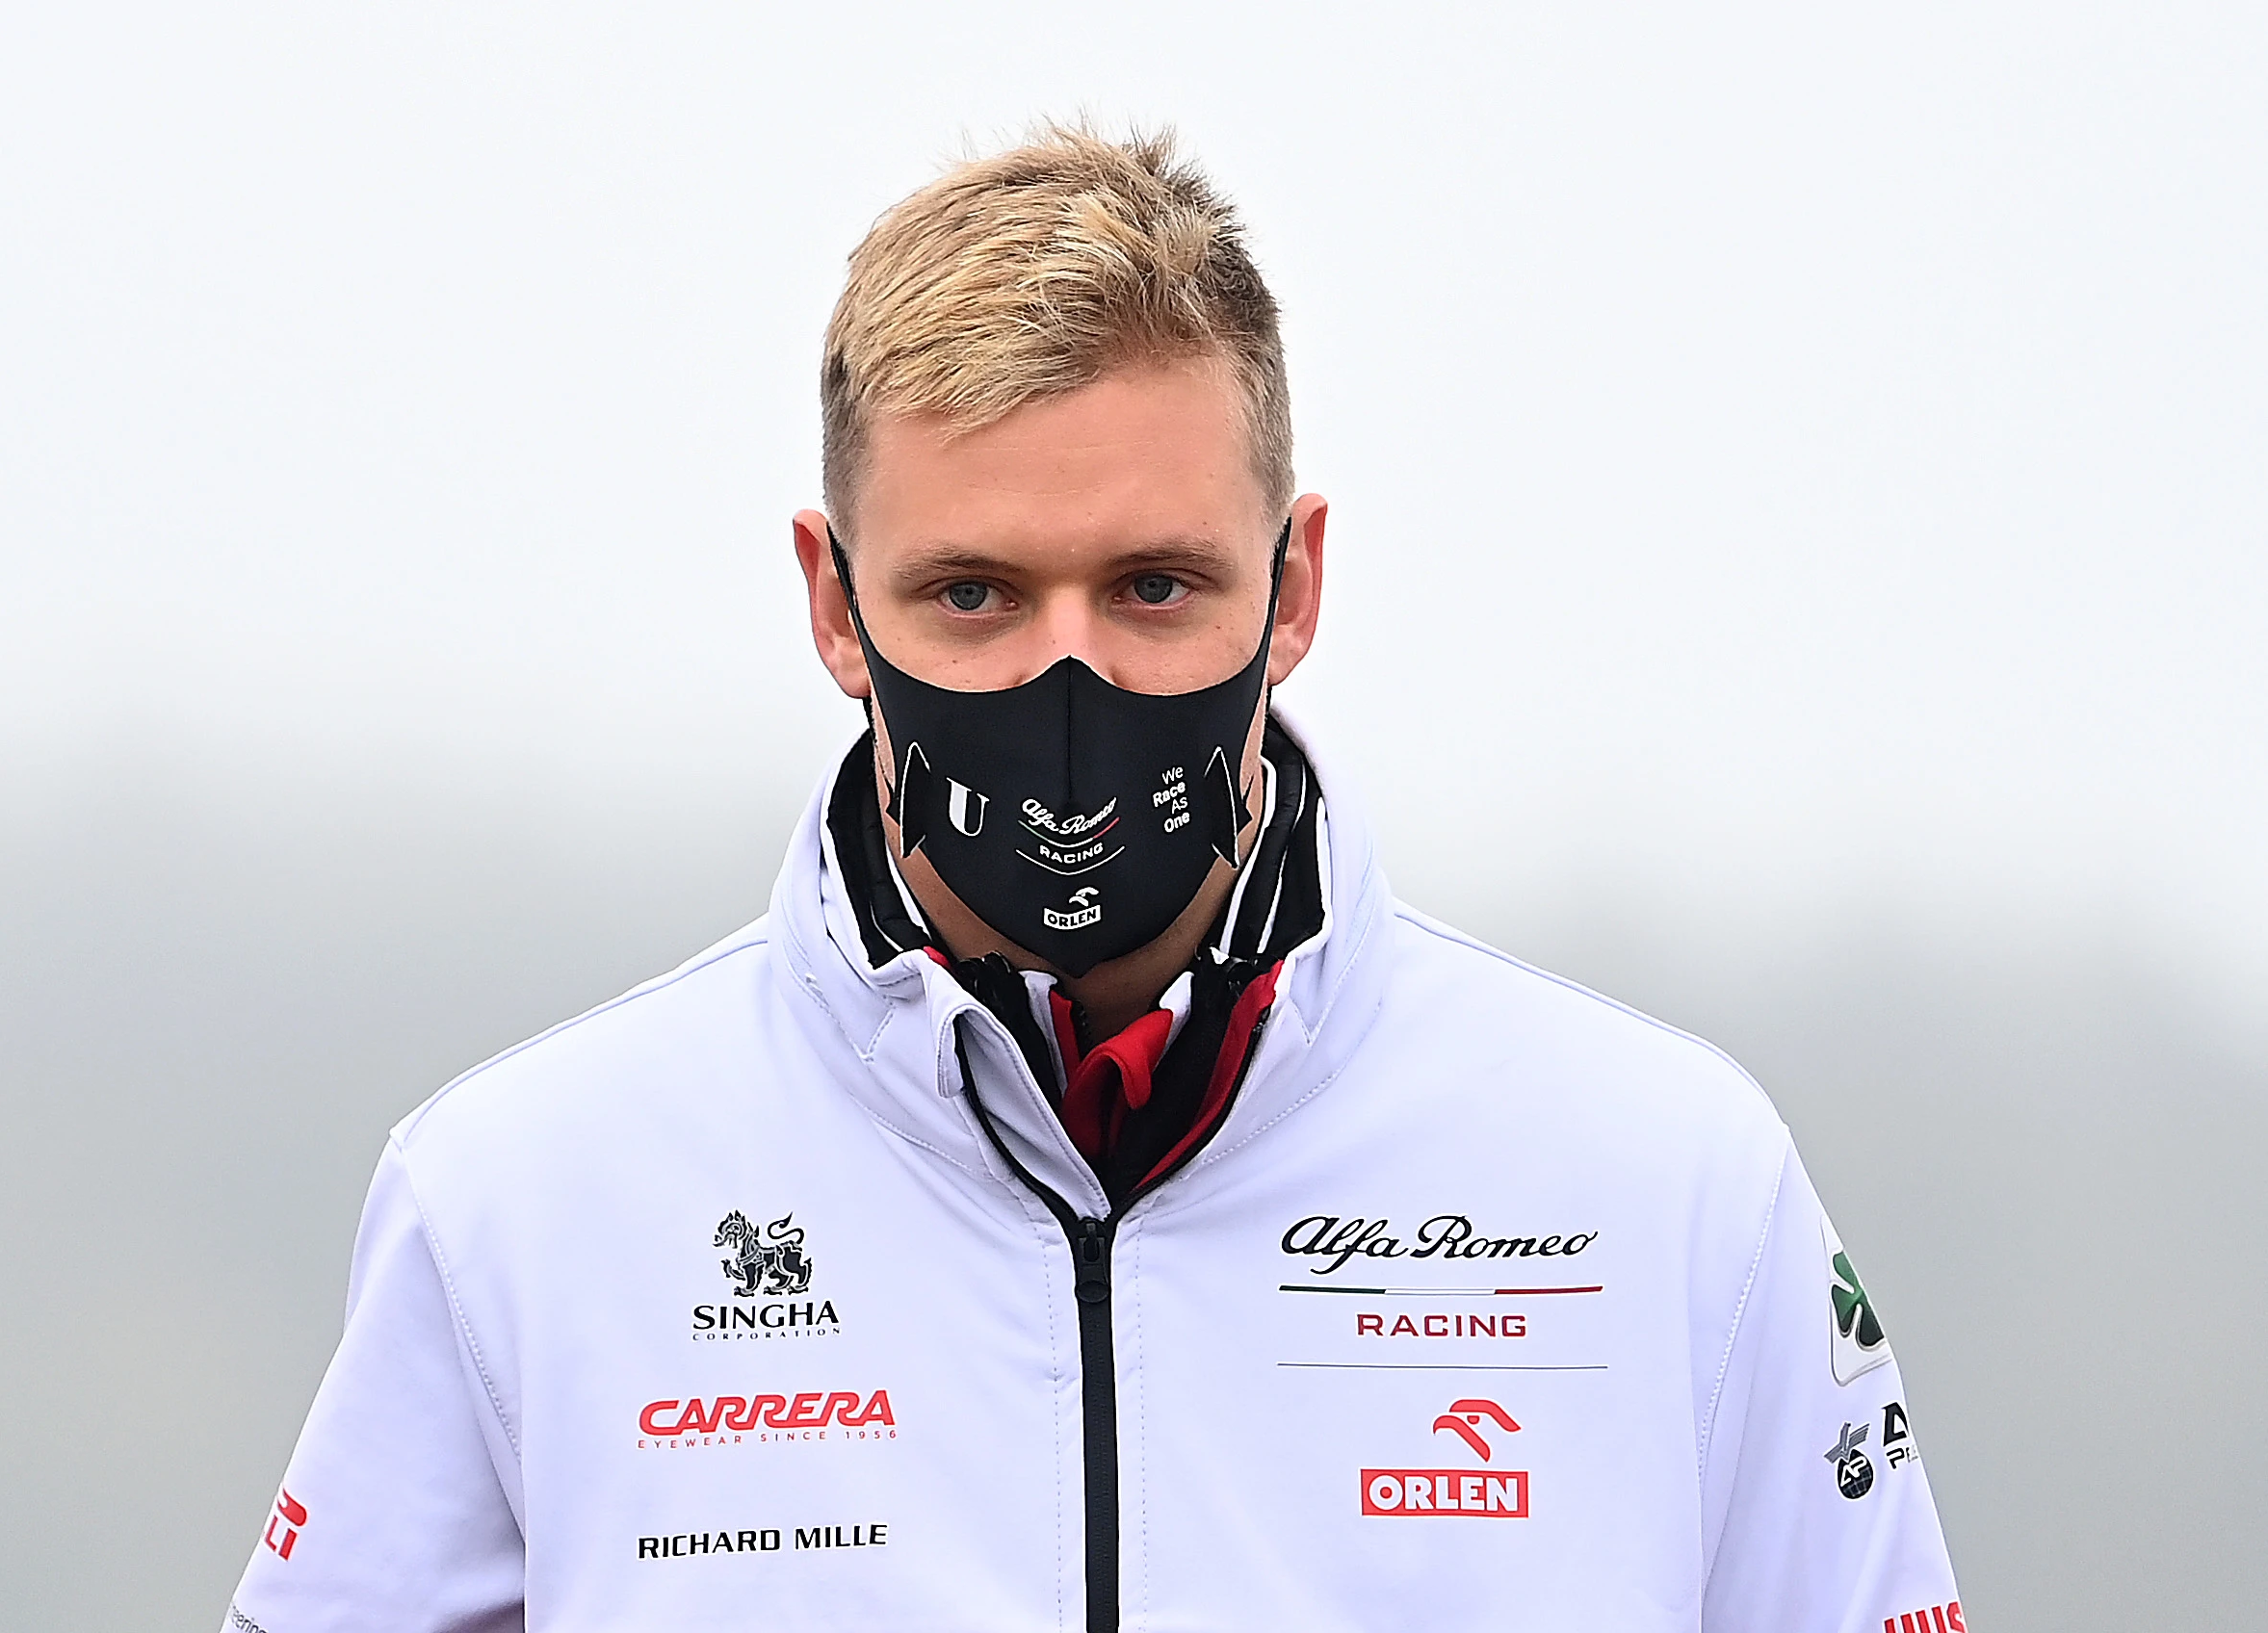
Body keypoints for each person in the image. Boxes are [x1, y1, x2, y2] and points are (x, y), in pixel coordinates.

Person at [224, 125, 1963, 1633]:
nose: (1073, 686)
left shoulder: (1669, 1188)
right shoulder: (522, 1201)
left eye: (1153, 588)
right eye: (973, 595)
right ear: (836, 605)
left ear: (1293, 588)